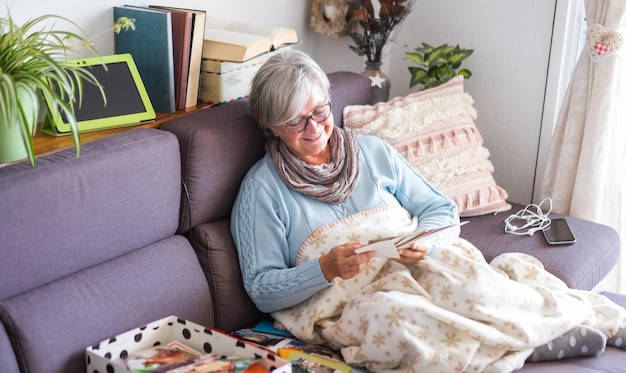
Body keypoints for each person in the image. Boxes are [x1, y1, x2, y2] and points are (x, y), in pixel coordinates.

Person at [230, 49, 626, 372]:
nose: (314, 128)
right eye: (295, 121)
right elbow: (262, 288)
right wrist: (327, 268)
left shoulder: (372, 152)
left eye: (319, 111)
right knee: (397, 321)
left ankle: (576, 321)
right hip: (348, 300)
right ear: (270, 123)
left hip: (421, 264)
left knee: (474, 287)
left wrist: (426, 243)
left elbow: (439, 209)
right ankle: (534, 343)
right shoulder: (261, 191)